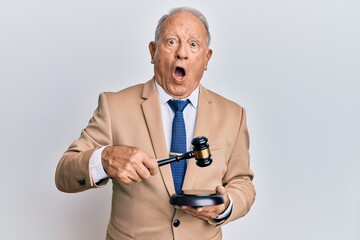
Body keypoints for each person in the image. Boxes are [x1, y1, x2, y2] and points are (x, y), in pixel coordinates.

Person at [55, 6, 255, 240]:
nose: (182, 53)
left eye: (193, 44)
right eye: (171, 42)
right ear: (153, 51)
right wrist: (105, 159)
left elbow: (242, 182)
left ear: (206, 58)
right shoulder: (114, 106)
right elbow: (63, 174)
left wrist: (227, 205)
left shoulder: (233, 114)